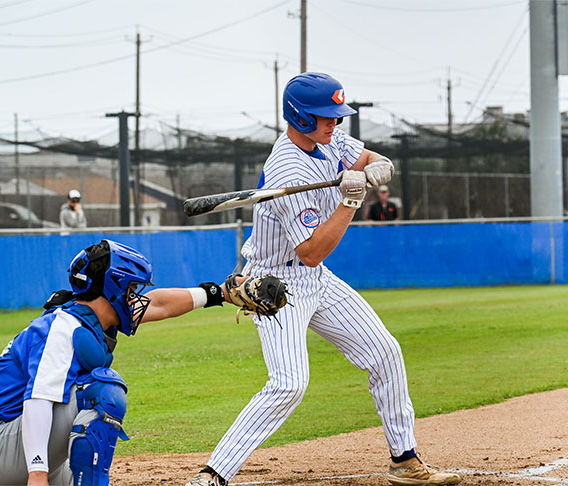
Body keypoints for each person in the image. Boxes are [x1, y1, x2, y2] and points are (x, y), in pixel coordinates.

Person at [188, 73, 460, 486]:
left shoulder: (327, 140)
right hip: (274, 284)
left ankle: (404, 462)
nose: (335, 124)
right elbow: (311, 249)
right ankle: (212, 474)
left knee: (384, 352)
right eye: (325, 117)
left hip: (316, 279)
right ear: (298, 118)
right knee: (289, 384)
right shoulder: (285, 169)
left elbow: (364, 156)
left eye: (337, 116)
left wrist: (378, 164)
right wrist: (351, 201)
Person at [0, 239, 244, 486]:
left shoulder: (86, 318)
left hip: (20, 446)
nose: (135, 297)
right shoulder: (62, 327)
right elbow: (37, 400)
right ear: (112, 288)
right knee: (104, 389)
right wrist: (38, 474)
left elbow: (159, 304)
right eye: (131, 289)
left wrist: (218, 293)